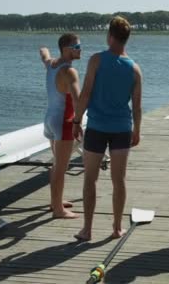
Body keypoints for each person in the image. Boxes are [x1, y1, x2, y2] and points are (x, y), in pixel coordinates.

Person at [72, 16, 143, 240]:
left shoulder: (96, 60)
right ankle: (116, 227)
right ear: (126, 39)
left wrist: (76, 120)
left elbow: (85, 94)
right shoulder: (134, 68)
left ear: (110, 36)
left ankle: (87, 229)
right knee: (118, 180)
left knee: (90, 179)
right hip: (122, 127)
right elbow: (137, 106)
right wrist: (137, 130)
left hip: (97, 127)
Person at [39, 33, 82, 219]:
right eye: (77, 47)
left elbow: (43, 53)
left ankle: (55, 202)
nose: (81, 50)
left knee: (56, 164)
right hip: (63, 120)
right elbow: (78, 99)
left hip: (49, 118)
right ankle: (58, 210)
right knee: (60, 167)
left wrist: (47, 53)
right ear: (67, 49)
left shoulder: (51, 64)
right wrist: (77, 122)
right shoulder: (70, 72)